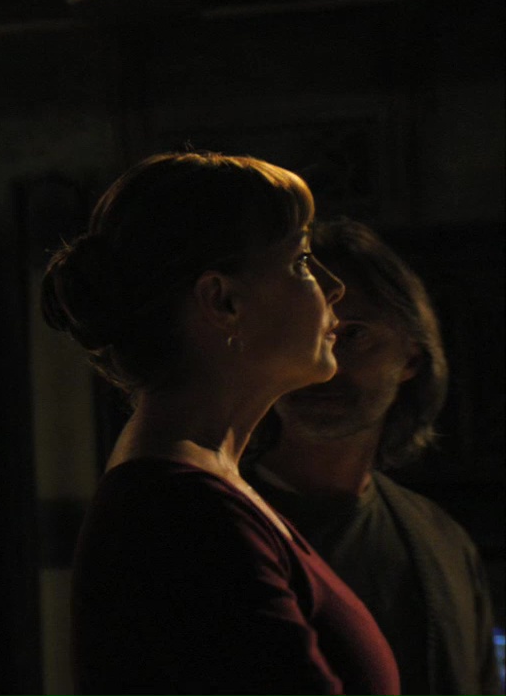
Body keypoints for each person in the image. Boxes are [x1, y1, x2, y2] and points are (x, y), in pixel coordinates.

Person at [42, 151, 400, 695]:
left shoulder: (204, 493)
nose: (334, 288)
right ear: (222, 301)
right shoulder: (181, 516)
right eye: (302, 261)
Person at [243, 217, 502, 696]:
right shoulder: (216, 527)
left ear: (411, 358)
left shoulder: (443, 542)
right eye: (298, 332)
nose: (323, 364)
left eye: (354, 334)